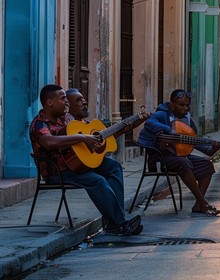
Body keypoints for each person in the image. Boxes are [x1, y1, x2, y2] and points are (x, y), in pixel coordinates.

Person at [29, 84, 143, 235]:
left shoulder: (66, 120)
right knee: (97, 180)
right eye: (63, 99)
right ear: (50, 102)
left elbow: (96, 138)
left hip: (77, 165)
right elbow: (49, 142)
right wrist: (83, 137)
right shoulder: (39, 124)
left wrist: (124, 128)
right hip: (59, 171)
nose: (67, 103)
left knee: (113, 166)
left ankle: (114, 220)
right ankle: (120, 223)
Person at [137, 89, 220, 216]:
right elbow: (150, 123)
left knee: (206, 165)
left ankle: (198, 205)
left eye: (187, 105)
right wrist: (170, 130)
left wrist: (214, 148)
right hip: (161, 158)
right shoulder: (162, 114)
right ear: (172, 105)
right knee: (184, 163)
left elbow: (205, 149)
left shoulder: (188, 121)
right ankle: (203, 203)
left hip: (181, 156)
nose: (185, 108)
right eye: (182, 105)